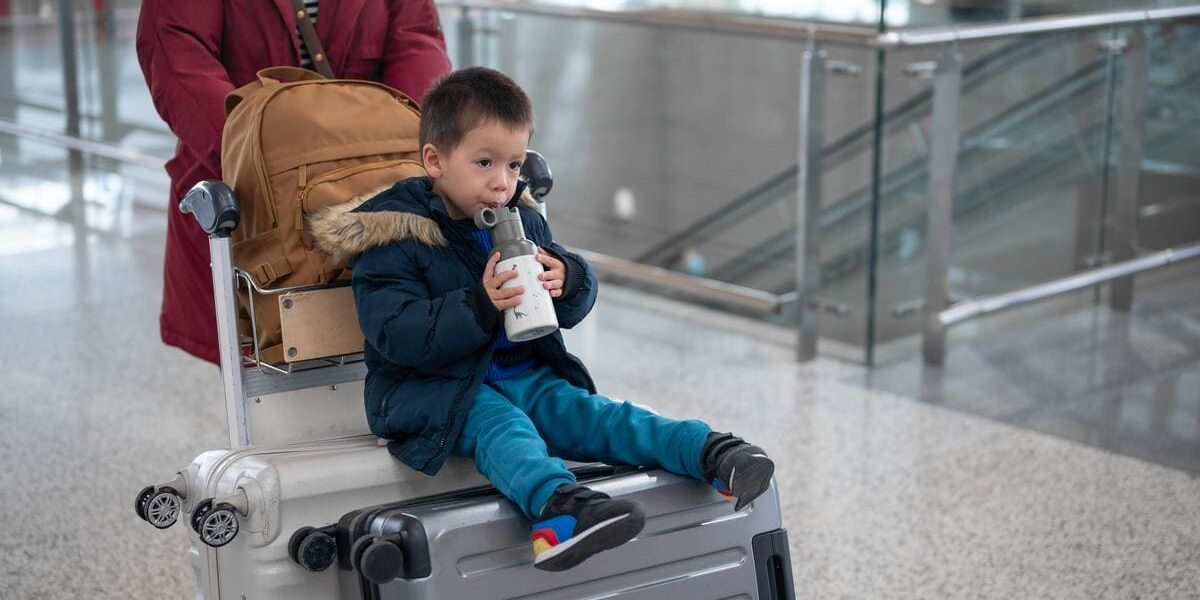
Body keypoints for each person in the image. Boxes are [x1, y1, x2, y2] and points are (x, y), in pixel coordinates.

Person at [309, 67, 775, 572]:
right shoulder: (394, 236)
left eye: (513, 165)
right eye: (484, 162)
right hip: (429, 389)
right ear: (435, 161)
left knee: (594, 414)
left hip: (521, 373)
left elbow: (571, 298)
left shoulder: (523, 218)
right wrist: (481, 304)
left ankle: (710, 453)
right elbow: (396, 334)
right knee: (502, 427)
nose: (501, 182)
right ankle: (560, 512)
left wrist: (569, 278)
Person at [135, 0, 451, 364]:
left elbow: (415, 40)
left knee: (398, 346)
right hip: (247, 194)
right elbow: (177, 54)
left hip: (373, 181)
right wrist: (254, 157)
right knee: (261, 384)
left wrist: (412, 148)